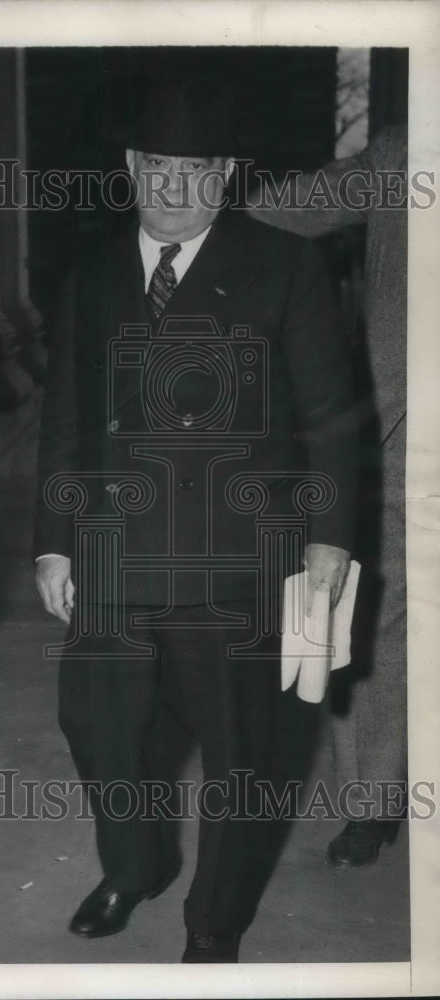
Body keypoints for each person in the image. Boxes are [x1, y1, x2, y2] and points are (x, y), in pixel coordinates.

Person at [34, 82, 358, 963]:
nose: (177, 190)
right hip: (113, 553)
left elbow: (332, 417)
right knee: (95, 726)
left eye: (198, 172)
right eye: (161, 168)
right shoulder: (93, 274)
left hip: (236, 563)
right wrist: (54, 542)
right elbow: (64, 419)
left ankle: (214, 919)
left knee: (239, 753)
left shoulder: (284, 267)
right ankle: (134, 864)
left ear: (225, 177)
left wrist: (328, 538)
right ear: (133, 168)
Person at [247, 124, 408, 867]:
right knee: (383, 611)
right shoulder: (411, 153)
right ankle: (371, 801)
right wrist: (190, 198)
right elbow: (290, 205)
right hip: (406, 427)